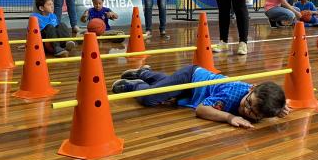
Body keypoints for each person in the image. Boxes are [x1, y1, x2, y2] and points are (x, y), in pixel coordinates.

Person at [112, 65, 290, 129]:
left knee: (167, 88)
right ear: (252, 88)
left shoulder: (261, 103)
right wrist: (230, 117)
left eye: (254, 114)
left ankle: (145, 73)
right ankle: (137, 84)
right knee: (148, 99)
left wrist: (278, 110)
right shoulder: (231, 94)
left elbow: (266, 108)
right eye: (248, 103)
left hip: (191, 91)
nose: (246, 110)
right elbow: (201, 109)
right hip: (191, 77)